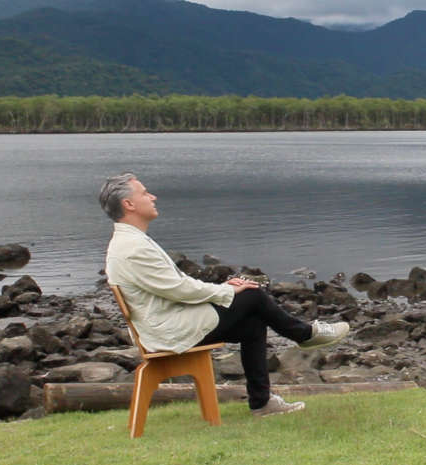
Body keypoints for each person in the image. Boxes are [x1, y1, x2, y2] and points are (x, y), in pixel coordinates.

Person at [99, 172, 349, 417]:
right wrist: (226, 291)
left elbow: (177, 284)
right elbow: (180, 290)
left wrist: (224, 289)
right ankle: (304, 334)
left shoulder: (130, 241)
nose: (153, 197)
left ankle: (262, 402)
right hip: (166, 331)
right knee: (253, 296)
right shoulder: (132, 248)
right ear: (128, 204)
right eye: (145, 193)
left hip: (165, 323)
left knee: (253, 320)